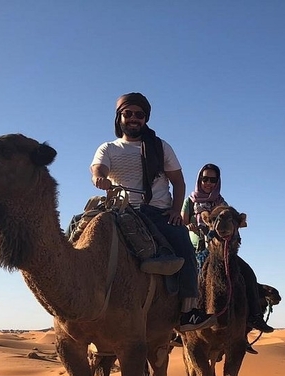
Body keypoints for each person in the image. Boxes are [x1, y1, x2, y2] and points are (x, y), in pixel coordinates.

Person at [91, 93, 215, 333]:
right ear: (120, 117)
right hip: (122, 210)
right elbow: (99, 167)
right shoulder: (109, 148)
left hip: (158, 212)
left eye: (140, 115)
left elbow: (178, 182)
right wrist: (99, 177)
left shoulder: (160, 147)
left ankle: (187, 312)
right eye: (129, 114)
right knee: (80, 233)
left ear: (146, 118)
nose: (134, 119)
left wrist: (176, 212)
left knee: (184, 247)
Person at [181, 164, 275, 335]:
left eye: (212, 180)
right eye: (205, 179)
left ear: (218, 182)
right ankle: (181, 325)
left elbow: (234, 222)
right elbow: (182, 222)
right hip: (195, 249)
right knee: (185, 278)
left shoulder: (222, 204)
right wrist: (191, 226)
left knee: (247, 273)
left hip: (220, 250)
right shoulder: (190, 201)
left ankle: (254, 316)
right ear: (199, 180)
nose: (208, 183)